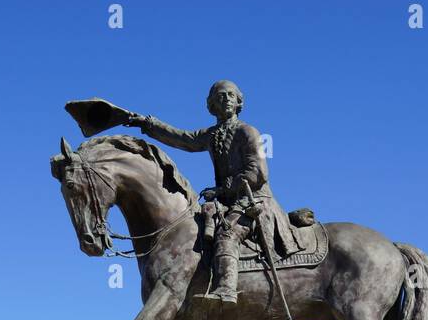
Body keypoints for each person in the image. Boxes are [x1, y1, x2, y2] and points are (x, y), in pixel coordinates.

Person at [125, 80, 300, 304]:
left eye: (230, 95)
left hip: (253, 200)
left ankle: (226, 289)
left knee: (228, 234)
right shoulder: (211, 135)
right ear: (212, 105)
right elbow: (182, 139)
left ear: (238, 102)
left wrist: (223, 188)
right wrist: (149, 124)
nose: (225, 99)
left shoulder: (247, 131)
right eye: (219, 96)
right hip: (228, 202)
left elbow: (259, 172)